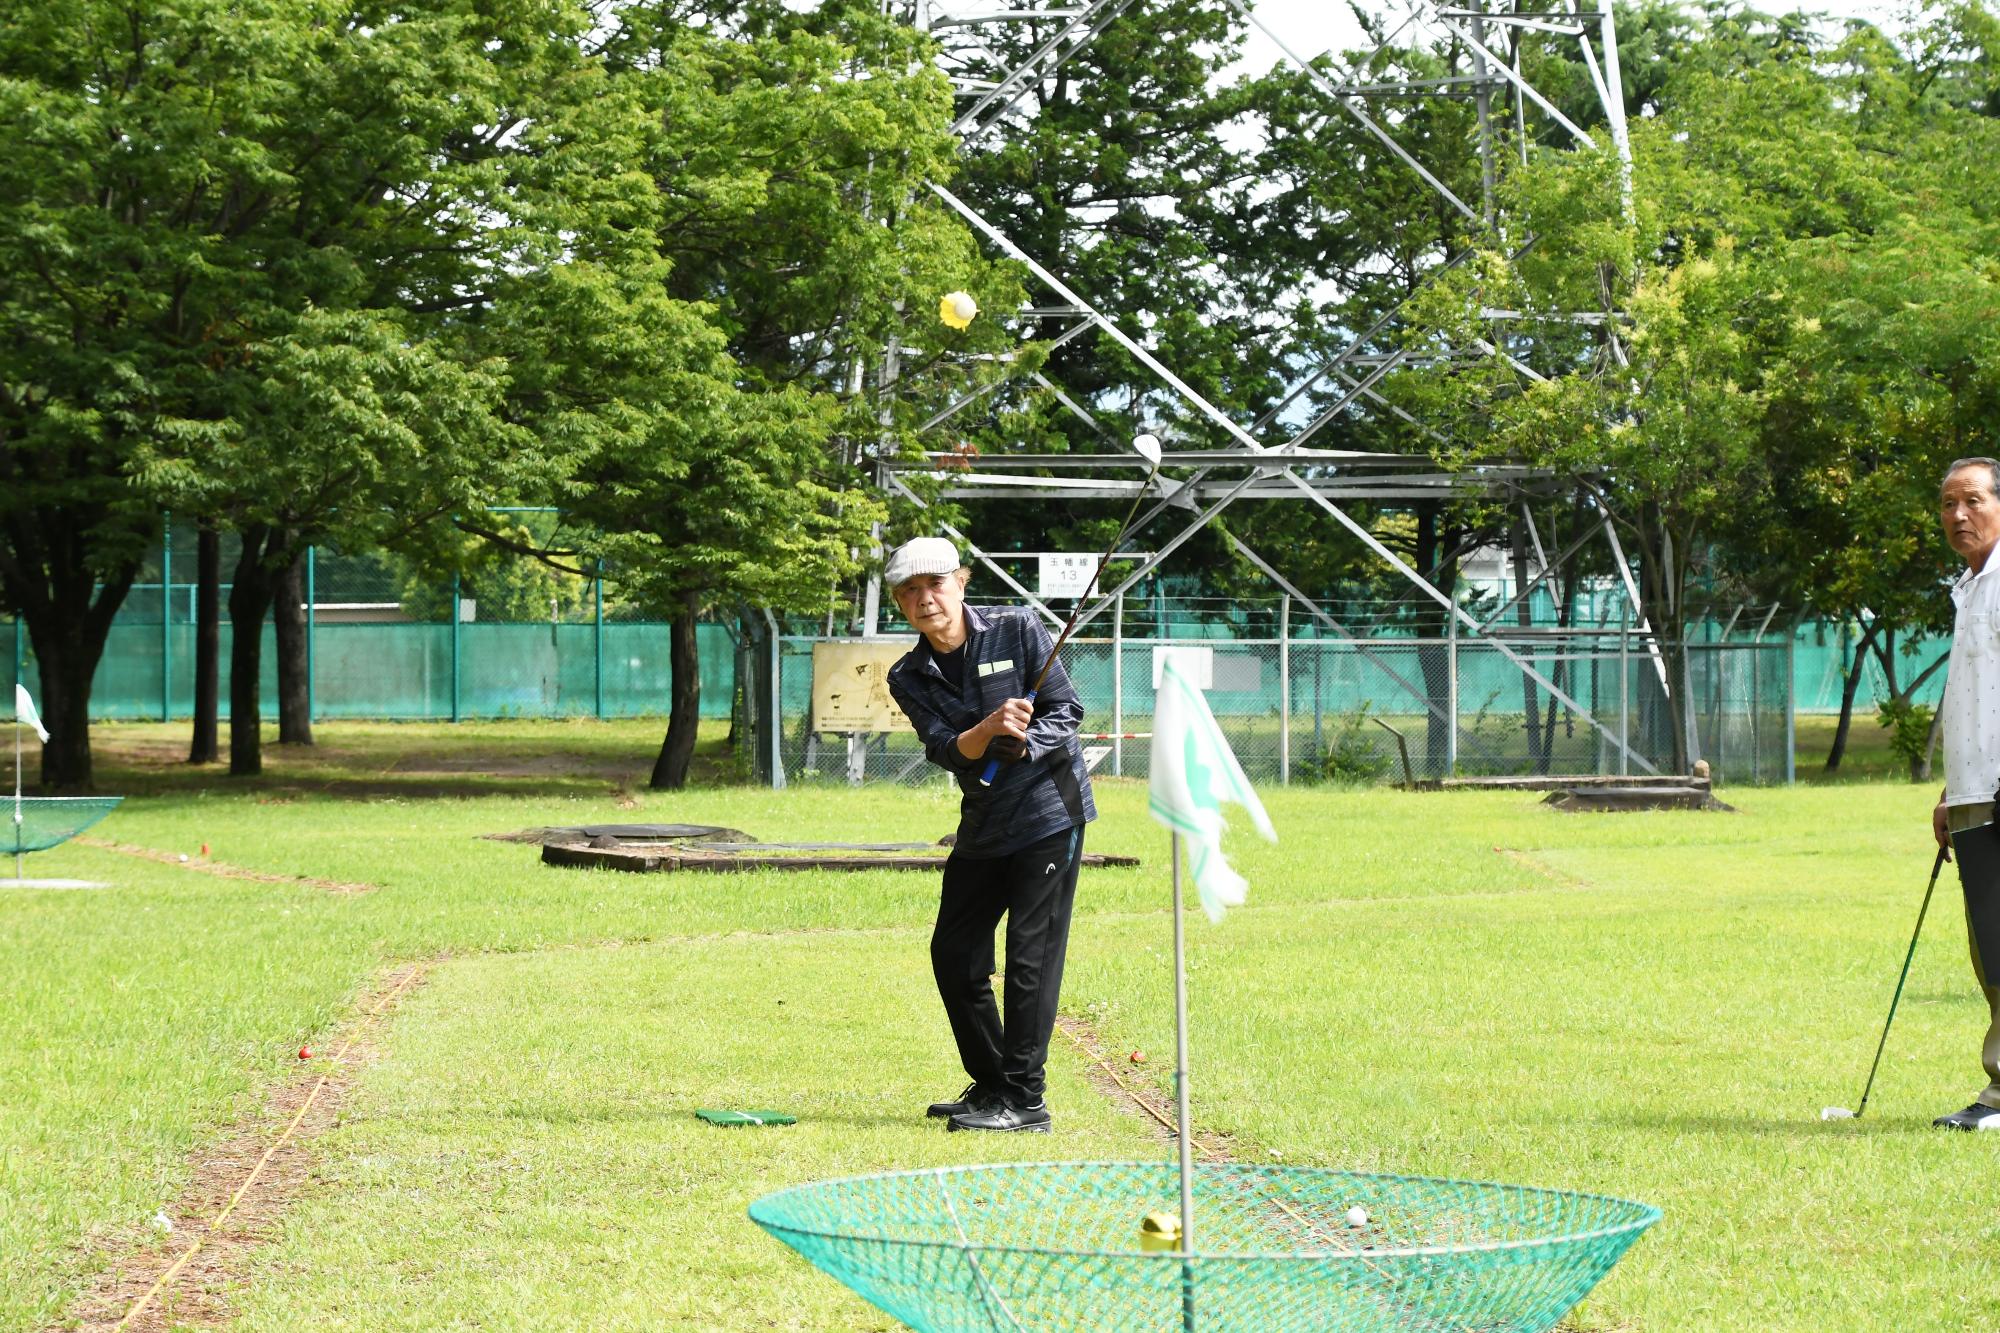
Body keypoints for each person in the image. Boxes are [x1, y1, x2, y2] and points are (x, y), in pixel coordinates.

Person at [882, 537, 1097, 1133]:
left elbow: (1066, 712)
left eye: (936, 585)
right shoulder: (909, 675)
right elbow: (947, 749)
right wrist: (988, 730)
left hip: (1050, 816)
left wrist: (1026, 740)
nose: (926, 600)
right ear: (900, 603)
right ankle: (994, 1083)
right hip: (983, 823)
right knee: (954, 953)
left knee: (1029, 958)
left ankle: (1026, 1101)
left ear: (962, 581)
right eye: (910, 592)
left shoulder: (1019, 628)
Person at [1931, 457, 2000, 1130]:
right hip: (1977, 792)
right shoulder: (1971, 587)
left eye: (1973, 500)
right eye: (1949, 503)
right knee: (1991, 945)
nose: (1959, 515)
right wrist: (1953, 792)